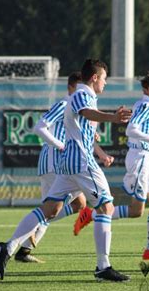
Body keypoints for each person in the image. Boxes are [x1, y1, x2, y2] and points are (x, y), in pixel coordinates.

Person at [0, 59, 132, 282]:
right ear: (94, 78)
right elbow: (86, 113)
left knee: (50, 209)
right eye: (104, 78)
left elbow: (81, 121)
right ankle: (103, 267)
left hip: (69, 163)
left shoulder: (82, 96)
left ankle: (8, 247)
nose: (106, 83)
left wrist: (94, 133)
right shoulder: (82, 94)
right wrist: (112, 118)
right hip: (81, 162)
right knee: (106, 207)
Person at [74, 71, 149, 260]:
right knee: (136, 211)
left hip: (147, 158)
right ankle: (91, 215)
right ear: (146, 89)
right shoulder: (145, 104)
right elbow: (131, 129)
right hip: (139, 158)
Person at [14, 72, 113, 263]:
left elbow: (81, 137)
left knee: (77, 204)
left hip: (64, 161)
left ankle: (24, 248)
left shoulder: (81, 105)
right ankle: (29, 232)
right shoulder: (67, 102)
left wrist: (101, 154)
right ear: (72, 88)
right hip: (56, 161)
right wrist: (61, 145)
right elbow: (40, 128)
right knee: (56, 208)